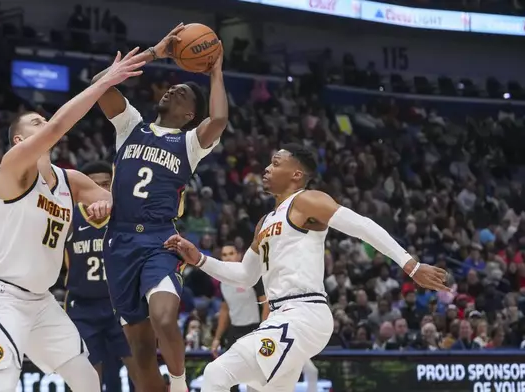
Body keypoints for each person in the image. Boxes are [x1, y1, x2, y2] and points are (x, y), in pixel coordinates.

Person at [164, 143, 450, 391]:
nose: (266, 168)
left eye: (275, 163)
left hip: (302, 314)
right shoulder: (263, 222)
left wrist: (410, 265)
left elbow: (362, 226)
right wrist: (199, 258)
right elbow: (245, 275)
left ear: (296, 174)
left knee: (216, 373)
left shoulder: (306, 200)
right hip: (281, 318)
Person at [0, 50, 145, 392]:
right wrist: (106, 82)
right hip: (0, 294)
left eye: (42, 120)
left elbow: (117, 203)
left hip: (40, 300)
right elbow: (59, 125)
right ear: (20, 140)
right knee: (1, 382)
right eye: (35, 123)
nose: (44, 124)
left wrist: (105, 205)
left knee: (86, 379)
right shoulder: (13, 168)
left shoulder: (70, 181)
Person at [91, 23, 228, 392]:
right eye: (173, 87)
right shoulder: (131, 125)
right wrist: (154, 51)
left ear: (189, 115)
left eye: (182, 93)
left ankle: (181, 384)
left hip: (159, 240)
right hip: (119, 241)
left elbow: (218, 120)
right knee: (139, 354)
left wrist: (215, 71)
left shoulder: (190, 143)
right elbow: (99, 84)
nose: (173, 90)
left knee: (165, 319)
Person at [63, 160, 139, 390]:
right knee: (87, 377)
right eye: (93, 185)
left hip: (123, 304)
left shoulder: (125, 217)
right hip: (83, 306)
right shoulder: (68, 217)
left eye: (106, 184)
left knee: (141, 370)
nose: (100, 190)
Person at [212, 244, 268, 392]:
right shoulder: (223, 282)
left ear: (239, 255)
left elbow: (266, 305)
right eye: (224, 255)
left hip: (255, 330)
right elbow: (225, 311)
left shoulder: (252, 275)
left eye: (231, 253)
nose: (228, 257)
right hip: (235, 332)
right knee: (230, 377)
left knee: (256, 378)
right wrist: (217, 338)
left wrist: (263, 331)